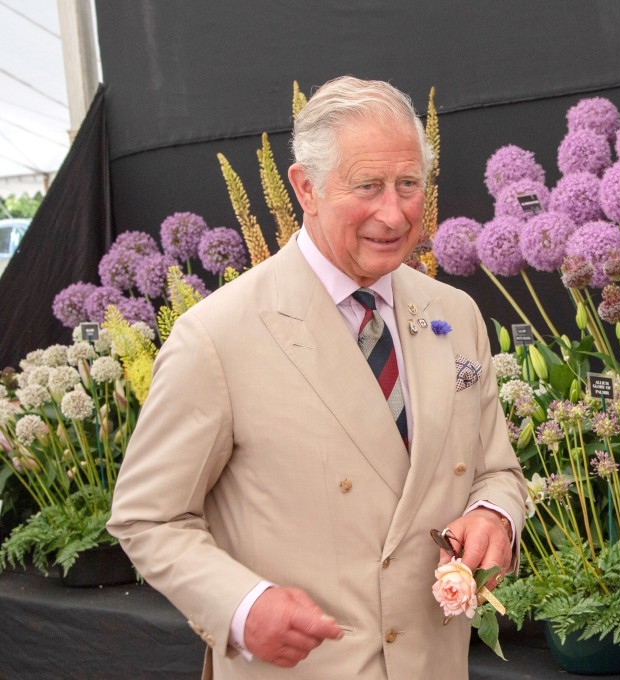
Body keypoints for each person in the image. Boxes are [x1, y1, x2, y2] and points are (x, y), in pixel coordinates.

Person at [108, 75, 527, 679]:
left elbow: (497, 470)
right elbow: (148, 517)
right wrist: (242, 606)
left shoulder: (454, 315)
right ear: (304, 187)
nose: (394, 212)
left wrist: (494, 515)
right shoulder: (217, 336)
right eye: (368, 186)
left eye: (409, 184)